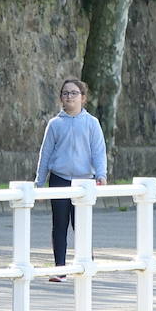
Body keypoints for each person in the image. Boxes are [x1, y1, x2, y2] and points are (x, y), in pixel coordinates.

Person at [34, 78, 107, 281]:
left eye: (74, 93)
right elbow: (45, 154)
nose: (69, 97)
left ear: (83, 98)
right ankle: (60, 269)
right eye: (66, 93)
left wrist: (101, 174)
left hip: (84, 181)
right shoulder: (55, 124)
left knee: (82, 225)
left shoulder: (92, 123)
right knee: (59, 224)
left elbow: (99, 151)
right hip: (60, 179)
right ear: (61, 98)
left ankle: (87, 265)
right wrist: (39, 183)